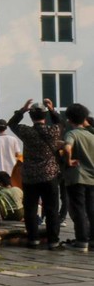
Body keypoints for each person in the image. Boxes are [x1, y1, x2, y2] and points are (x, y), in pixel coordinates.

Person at [8, 99, 63, 249]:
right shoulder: (53, 131)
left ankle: (33, 239)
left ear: (30, 116)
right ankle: (53, 240)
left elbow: (11, 124)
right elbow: (61, 123)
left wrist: (22, 110)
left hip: (30, 175)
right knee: (51, 209)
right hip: (49, 174)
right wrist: (53, 110)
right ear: (45, 115)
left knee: (30, 208)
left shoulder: (26, 131)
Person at [62, 103, 94, 252]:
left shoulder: (72, 134)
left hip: (77, 176)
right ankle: (92, 239)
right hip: (92, 178)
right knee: (91, 208)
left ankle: (81, 241)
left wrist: (68, 160)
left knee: (79, 209)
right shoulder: (91, 134)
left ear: (69, 119)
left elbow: (68, 147)